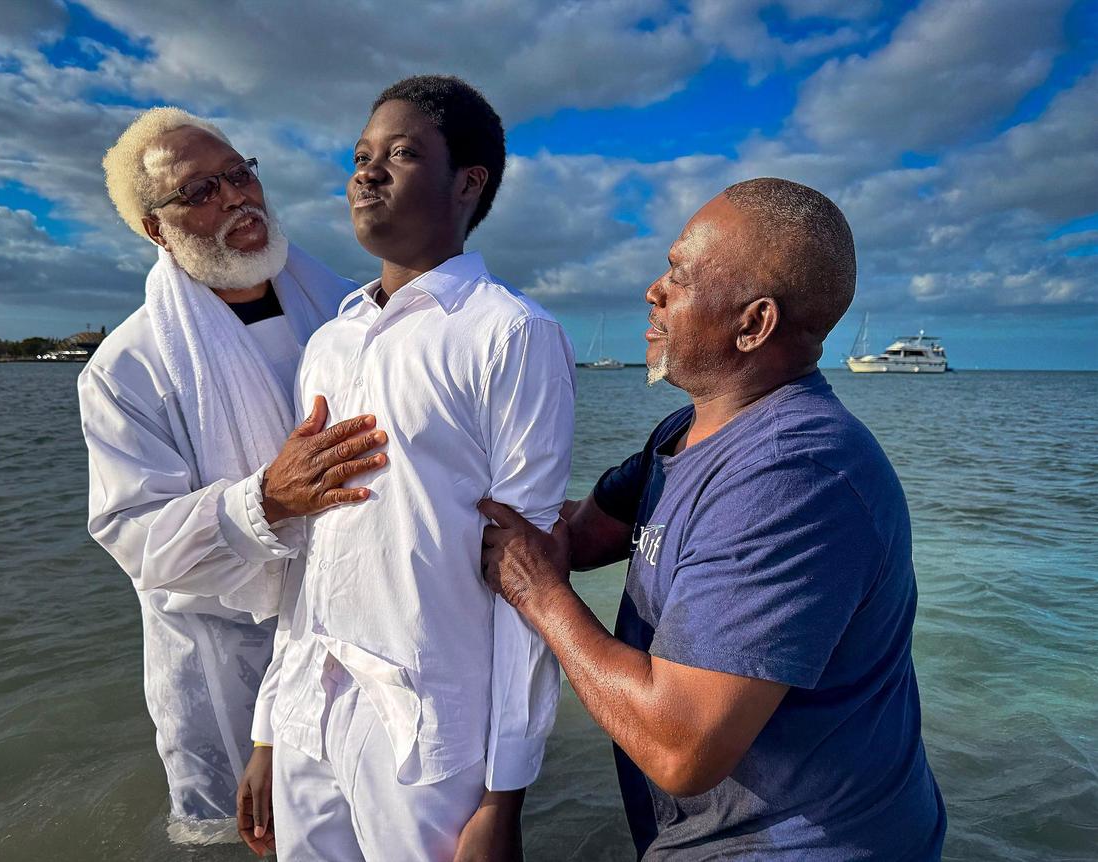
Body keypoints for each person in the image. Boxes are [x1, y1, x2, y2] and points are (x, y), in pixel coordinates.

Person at [479, 178, 947, 859]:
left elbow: (680, 747)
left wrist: (539, 596)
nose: (653, 290)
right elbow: (578, 537)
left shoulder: (795, 476)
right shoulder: (684, 431)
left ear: (753, 324)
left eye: (678, 274)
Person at [256, 75, 574, 861]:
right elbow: (310, 548)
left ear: (469, 182)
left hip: (430, 727)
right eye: (361, 156)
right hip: (311, 708)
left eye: (401, 154)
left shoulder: (510, 334)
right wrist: (268, 729)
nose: (366, 173)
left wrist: (505, 796)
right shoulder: (332, 341)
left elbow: (525, 577)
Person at [79, 107, 386, 843]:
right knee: (244, 837)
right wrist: (264, 500)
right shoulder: (128, 369)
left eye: (240, 173)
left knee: (371, 825)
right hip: (222, 654)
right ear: (156, 229)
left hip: (359, 624)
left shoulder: (355, 311)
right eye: (199, 192)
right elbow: (134, 537)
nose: (235, 198)